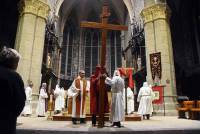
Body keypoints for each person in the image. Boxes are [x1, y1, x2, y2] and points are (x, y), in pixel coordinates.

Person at [0, 47, 26, 134]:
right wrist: (12, 115)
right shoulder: (14, 77)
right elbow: (20, 101)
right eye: (17, 62)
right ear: (13, 62)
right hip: (6, 122)